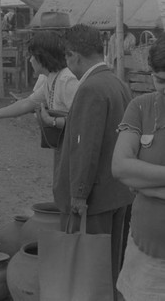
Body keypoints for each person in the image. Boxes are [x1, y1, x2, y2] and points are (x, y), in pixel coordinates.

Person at [54, 24, 134, 296]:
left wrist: (78, 194)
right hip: (117, 192)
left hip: (95, 197)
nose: (67, 64)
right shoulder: (117, 83)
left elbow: (86, 147)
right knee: (111, 264)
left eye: (67, 57)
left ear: (74, 55)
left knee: (90, 270)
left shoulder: (91, 88)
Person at [0, 31, 79, 179]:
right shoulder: (51, 78)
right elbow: (28, 103)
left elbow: (83, 120)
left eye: (32, 56)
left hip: (76, 150)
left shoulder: (67, 81)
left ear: (41, 57)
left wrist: (52, 121)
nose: (30, 60)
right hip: (64, 147)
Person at [113, 33, 165, 300]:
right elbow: (120, 167)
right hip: (145, 248)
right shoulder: (141, 107)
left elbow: (131, 174)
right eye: (161, 80)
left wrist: (145, 185)